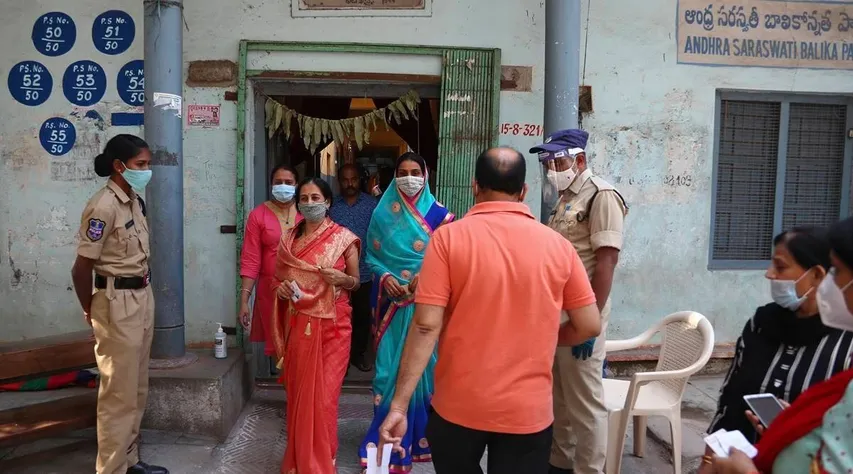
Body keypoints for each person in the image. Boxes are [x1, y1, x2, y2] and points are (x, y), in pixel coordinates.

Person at [377, 147, 602, 474]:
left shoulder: (447, 240)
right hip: (528, 412)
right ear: (523, 191)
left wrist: (398, 406)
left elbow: (426, 327)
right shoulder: (558, 246)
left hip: (458, 407)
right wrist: (547, 335)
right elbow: (589, 325)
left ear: (475, 186)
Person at [699, 227, 853, 473]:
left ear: (816, 275)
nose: (769, 274)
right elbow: (730, 397)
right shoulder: (760, 324)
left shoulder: (846, 344)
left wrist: (794, 427)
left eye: (780, 267)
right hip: (733, 459)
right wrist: (710, 456)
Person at [70, 134, 168, 474]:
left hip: (141, 297)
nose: (147, 171)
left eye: (147, 164)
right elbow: (81, 268)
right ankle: (111, 470)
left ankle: (130, 460)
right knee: (117, 395)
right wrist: (90, 309)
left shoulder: (134, 201)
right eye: (141, 165)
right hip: (114, 302)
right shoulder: (103, 206)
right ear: (119, 166)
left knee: (137, 388)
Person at [532, 129, 628, 474]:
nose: (551, 169)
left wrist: (591, 324)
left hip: (582, 315)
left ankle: (589, 469)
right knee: (560, 397)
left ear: (580, 160)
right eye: (548, 163)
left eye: (558, 161)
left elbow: (606, 263)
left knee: (586, 404)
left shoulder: (601, 196)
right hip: (557, 315)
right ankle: (560, 463)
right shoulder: (563, 199)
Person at [358, 152, 454, 472]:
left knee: (425, 370)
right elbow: (371, 256)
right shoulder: (381, 215)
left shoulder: (442, 217)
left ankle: (421, 438)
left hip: (426, 304)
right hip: (390, 306)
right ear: (394, 175)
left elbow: (450, 260)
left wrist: (422, 282)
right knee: (387, 371)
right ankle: (385, 440)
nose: (409, 177)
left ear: (426, 176)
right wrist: (386, 278)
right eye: (402, 172)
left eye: (415, 171)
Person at [269, 177, 361, 474]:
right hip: (300, 325)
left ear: (327, 202)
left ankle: (322, 461)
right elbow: (279, 280)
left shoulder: (344, 238)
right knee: (299, 396)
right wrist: (282, 291)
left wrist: (341, 279)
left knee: (323, 399)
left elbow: (356, 282)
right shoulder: (289, 241)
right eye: (304, 199)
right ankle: (299, 461)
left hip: (334, 327)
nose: (309, 203)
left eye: (315, 198)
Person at [238, 165, 302, 360]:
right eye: (278, 182)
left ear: (296, 185)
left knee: (301, 344)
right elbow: (251, 259)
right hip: (270, 291)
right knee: (279, 350)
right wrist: (244, 300)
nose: (283, 186)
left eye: (288, 183)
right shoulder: (258, 215)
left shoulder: (306, 212)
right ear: (271, 185)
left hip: (303, 289)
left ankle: (301, 390)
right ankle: (289, 389)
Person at [329, 163, 378, 372]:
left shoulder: (372, 206)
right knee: (337, 318)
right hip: (337, 273)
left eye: (354, 179)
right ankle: (339, 358)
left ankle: (357, 355)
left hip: (365, 272)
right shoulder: (331, 207)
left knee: (361, 316)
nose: (350, 183)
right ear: (339, 181)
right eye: (345, 179)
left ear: (360, 179)